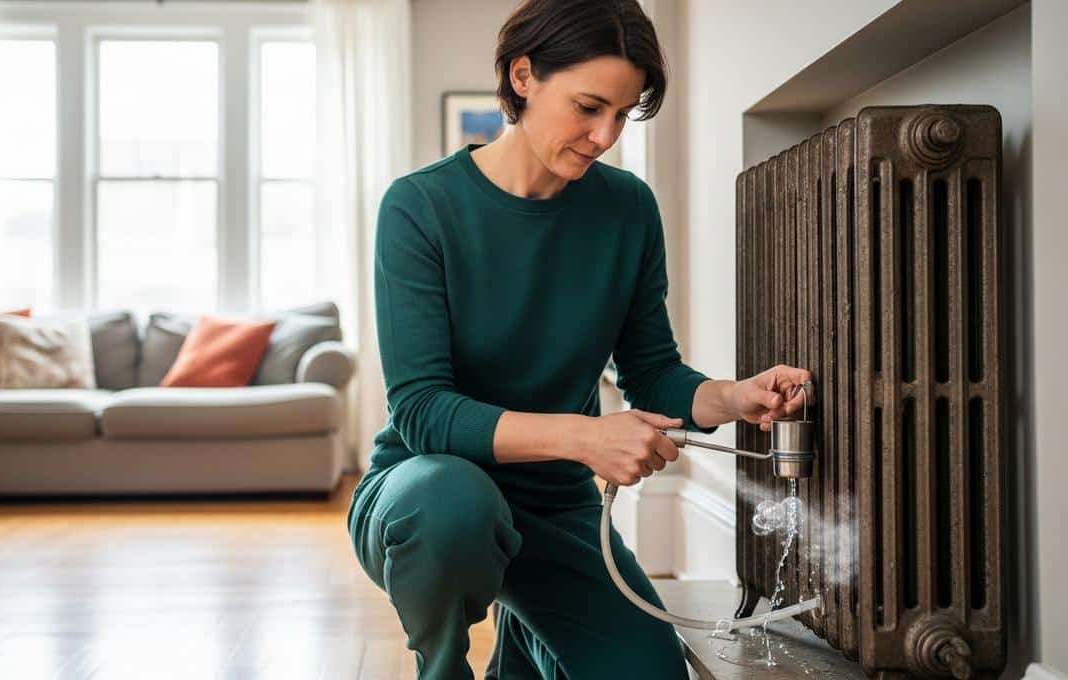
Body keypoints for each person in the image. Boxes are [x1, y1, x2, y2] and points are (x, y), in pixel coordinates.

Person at [346, 0, 811, 677]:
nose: (603, 135)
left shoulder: (625, 208)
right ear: (524, 76)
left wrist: (734, 396)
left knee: (648, 672)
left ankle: (527, 642)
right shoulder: (420, 207)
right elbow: (421, 412)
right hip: (424, 493)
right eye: (589, 107)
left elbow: (651, 373)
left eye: (622, 115)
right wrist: (584, 437)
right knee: (453, 504)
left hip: (556, 506)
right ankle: (441, 667)